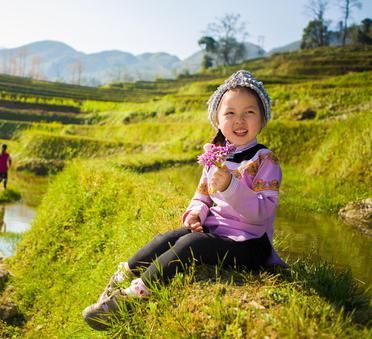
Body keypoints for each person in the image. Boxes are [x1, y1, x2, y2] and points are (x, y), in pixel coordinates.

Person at [82, 70, 286, 330]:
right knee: (166, 239)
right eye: (230, 113)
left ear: (262, 118)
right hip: (218, 230)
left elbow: (262, 213)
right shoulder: (214, 157)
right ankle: (120, 279)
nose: (239, 120)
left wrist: (231, 185)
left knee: (192, 244)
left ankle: (132, 298)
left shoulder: (265, 159)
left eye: (249, 112)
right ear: (217, 119)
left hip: (250, 244)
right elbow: (201, 195)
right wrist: (196, 213)